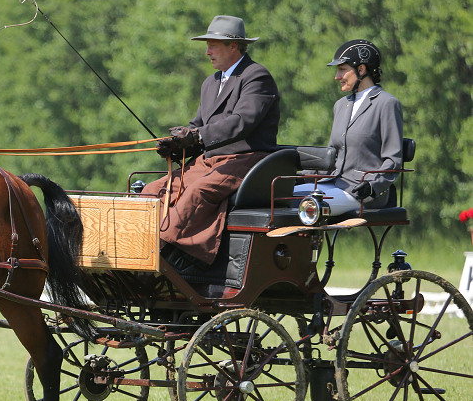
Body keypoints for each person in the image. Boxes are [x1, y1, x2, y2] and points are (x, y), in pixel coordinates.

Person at [143, 15, 280, 265]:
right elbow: (198, 125)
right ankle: (136, 248)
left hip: (247, 159)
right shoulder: (211, 83)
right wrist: (176, 145)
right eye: (207, 45)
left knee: (197, 191)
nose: (207, 52)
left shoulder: (256, 76)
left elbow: (242, 121)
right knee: (152, 191)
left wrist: (197, 136)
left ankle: (162, 254)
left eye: (213, 45)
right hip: (210, 161)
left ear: (233, 46)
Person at [294, 40, 404, 214]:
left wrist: (372, 185)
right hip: (332, 183)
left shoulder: (387, 104)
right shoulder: (340, 105)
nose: (337, 76)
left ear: (361, 70)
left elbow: (393, 159)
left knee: (306, 205)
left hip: (362, 192)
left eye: (342, 69)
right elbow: (331, 156)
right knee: (281, 198)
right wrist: (299, 176)